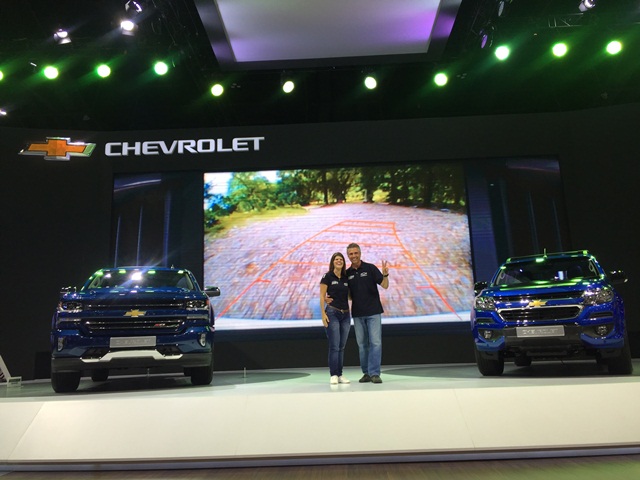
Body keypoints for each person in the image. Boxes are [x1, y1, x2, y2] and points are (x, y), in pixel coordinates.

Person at [346, 242, 389, 384]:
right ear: (348, 256)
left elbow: (385, 285)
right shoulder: (347, 273)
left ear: (360, 253)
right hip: (358, 314)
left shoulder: (370, 268)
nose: (354, 256)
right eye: (351, 254)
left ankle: (375, 373)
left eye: (355, 253)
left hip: (373, 312)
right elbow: (349, 296)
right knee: (362, 345)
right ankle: (366, 373)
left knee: (375, 343)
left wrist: (385, 275)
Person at [319, 252, 352, 385]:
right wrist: (323, 314)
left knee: (341, 346)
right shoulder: (327, 276)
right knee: (334, 346)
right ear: (332, 262)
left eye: (341, 259)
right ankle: (333, 374)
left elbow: (349, 296)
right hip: (332, 313)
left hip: (346, 315)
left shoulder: (346, 278)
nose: (339, 261)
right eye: (336, 259)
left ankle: (340, 374)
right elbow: (322, 296)